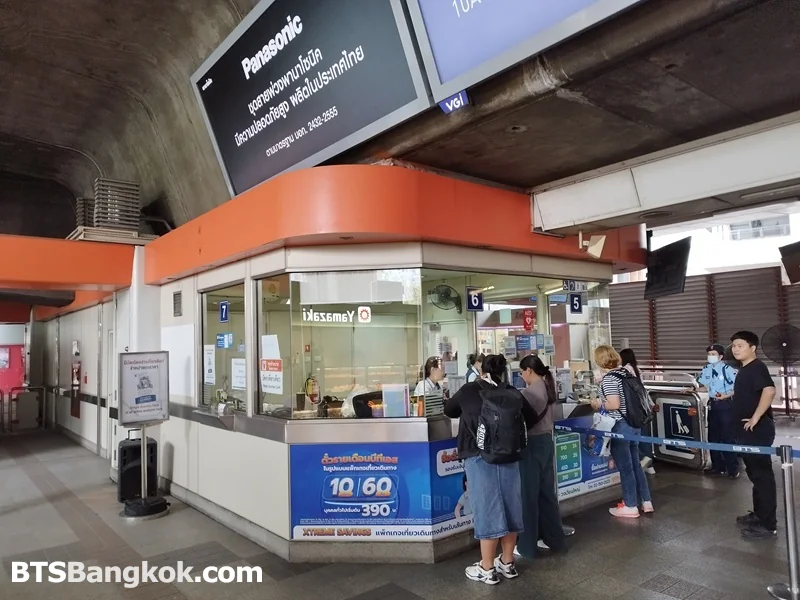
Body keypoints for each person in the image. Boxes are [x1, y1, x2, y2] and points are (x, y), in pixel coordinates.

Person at [444, 354, 539, 585]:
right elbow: (532, 418)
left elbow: (449, 410)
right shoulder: (512, 392)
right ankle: (507, 563)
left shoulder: (469, 390)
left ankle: (486, 568)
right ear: (503, 371)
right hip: (510, 456)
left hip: (479, 458)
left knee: (487, 510)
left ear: (481, 370)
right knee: (510, 508)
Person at [590, 345, 653, 518]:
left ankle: (631, 505)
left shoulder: (610, 379)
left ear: (599, 361)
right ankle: (646, 501)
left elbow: (614, 404)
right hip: (634, 425)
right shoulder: (627, 373)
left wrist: (598, 404)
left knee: (626, 468)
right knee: (635, 465)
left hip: (620, 425)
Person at [515, 355, 567, 558]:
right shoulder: (548, 387)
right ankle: (555, 539)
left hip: (532, 445)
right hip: (546, 442)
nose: (520, 376)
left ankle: (527, 547)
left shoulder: (529, 393)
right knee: (547, 495)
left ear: (529, 370)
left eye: (521, 371)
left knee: (528, 496)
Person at [730, 331, 777, 540]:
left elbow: (769, 391)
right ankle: (759, 514)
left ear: (752, 348)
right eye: (733, 346)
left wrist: (756, 417)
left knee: (762, 476)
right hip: (747, 431)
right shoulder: (745, 369)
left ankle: (768, 525)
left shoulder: (757, 367)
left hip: (757, 431)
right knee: (755, 475)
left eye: (740, 345)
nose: (736, 349)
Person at [698, 343, 739, 478]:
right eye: (709, 354)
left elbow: (737, 388)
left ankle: (732, 469)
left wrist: (726, 395)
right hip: (713, 406)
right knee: (713, 437)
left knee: (728, 438)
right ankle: (717, 466)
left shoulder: (728, 370)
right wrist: (693, 390)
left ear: (721, 356)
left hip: (726, 405)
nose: (711, 357)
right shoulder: (706, 369)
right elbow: (705, 387)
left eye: (713, 354)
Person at [620, 348, 655, 475]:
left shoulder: (625, 370)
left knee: (634, 437)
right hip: (642, 407)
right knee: (643, 435)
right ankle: (649, 463)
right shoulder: (636, 369)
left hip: (633, 408)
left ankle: (644, 459)